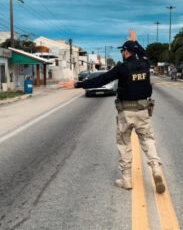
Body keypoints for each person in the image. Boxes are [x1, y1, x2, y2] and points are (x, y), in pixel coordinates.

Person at [59, 30, 165, 194]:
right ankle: (156, 170)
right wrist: (135, 42)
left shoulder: (121, 68)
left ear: (126, 52)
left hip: (126, 112)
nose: (122, 54)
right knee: (148, 141)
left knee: (124, 145)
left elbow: (100, 80)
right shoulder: (145, 64)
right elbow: (143, 53)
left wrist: (77, 85)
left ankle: (127, 179)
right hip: (143, 111)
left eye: (122, 51)